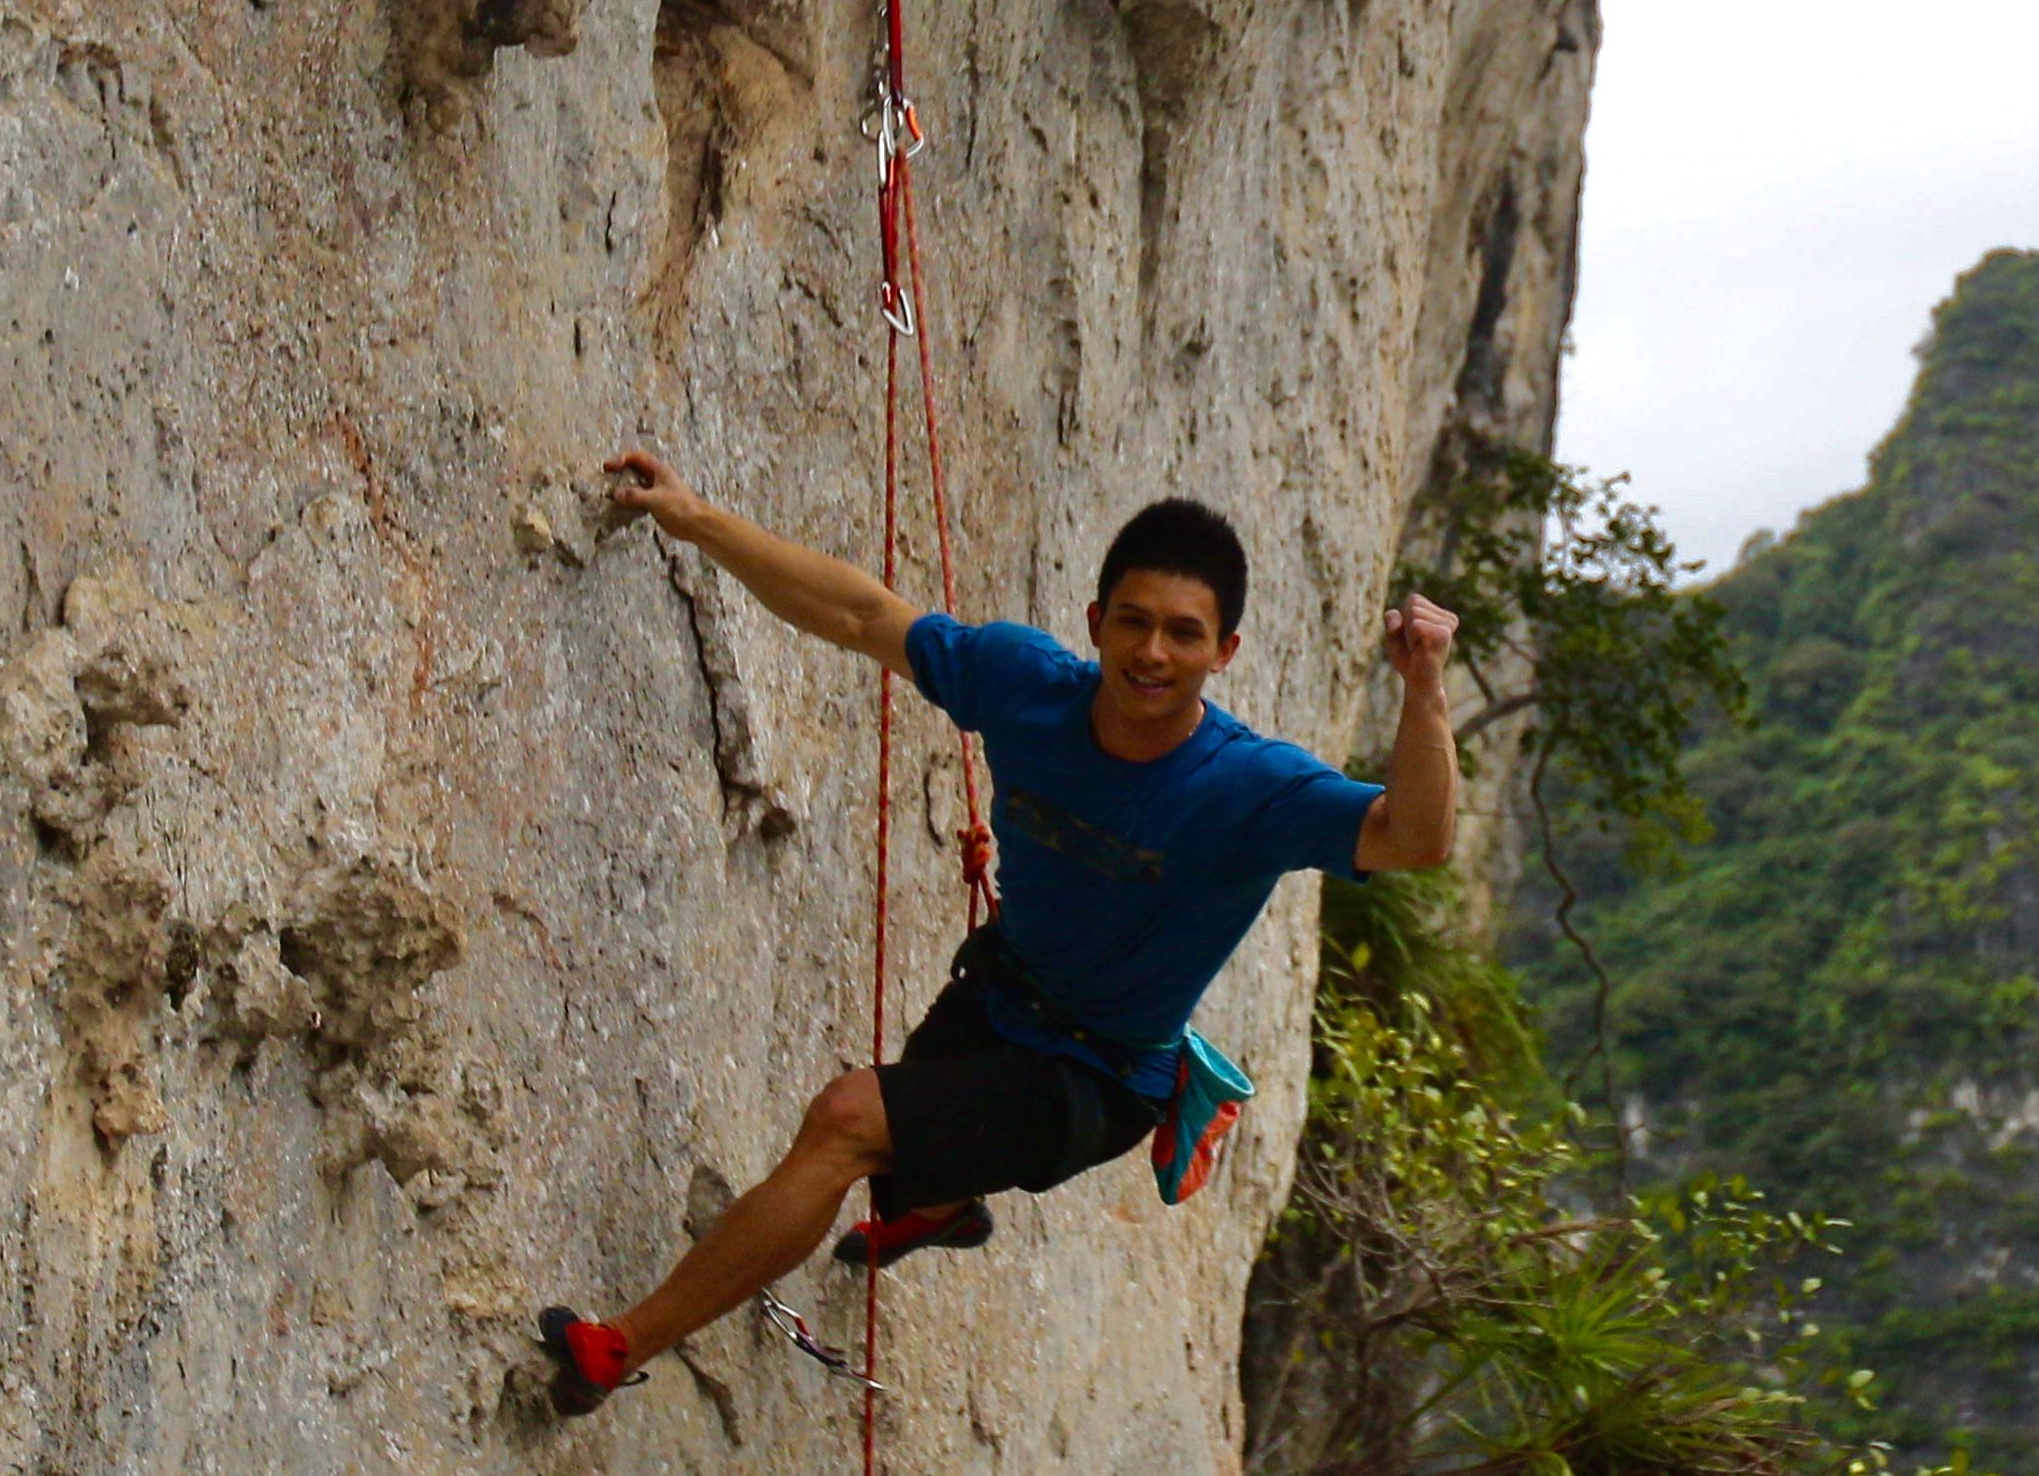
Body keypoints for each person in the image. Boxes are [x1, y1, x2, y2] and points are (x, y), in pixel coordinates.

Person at [533, 449, 1460, 1418]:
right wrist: (695, 516)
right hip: (998, 995)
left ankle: (614, 1348)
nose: (1152, 653)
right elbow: (860, 616)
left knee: (848, 1121)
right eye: (1134, 622)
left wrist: (1425, 689)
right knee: (911, 1155)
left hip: (1097, 1079)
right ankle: (944, 1206)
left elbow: (1413, 839)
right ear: (1095, 621)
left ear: (1224, 651)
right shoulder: (1026, 684)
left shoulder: (1250, 787)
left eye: (1184, 634)